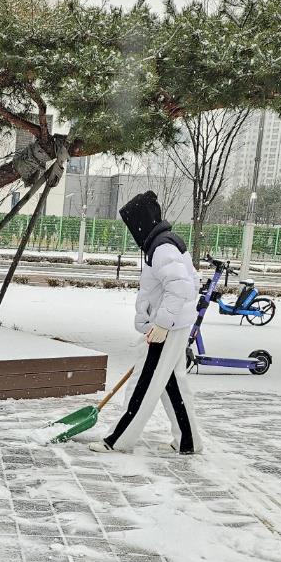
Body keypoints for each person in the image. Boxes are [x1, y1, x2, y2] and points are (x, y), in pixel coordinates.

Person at [90, 190, 205, 456]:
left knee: (143, 383)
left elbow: (182, 286)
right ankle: (188, 441)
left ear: (142, 221)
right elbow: (187, 282)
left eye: (132, 224)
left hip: (166, 329)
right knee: (171, 383)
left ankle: (118, 440)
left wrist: (163, 323)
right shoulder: (165, 243)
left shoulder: (163, 247)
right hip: (171, 326)